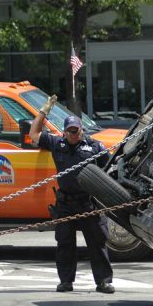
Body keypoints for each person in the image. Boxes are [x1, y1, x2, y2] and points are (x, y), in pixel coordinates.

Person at [29, 96, 115, 293]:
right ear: (64, 132)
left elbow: (109, 170)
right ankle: (66, 281)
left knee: (97, 243)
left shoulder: (95, 147)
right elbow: (34, 133)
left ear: (82, 130)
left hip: (88, 202)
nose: (74, 134)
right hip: (66, 203)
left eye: (77, 131)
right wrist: (43, 112)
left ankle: (103, 281)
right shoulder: (57, 143)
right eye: (70, 131)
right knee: (65, 244)